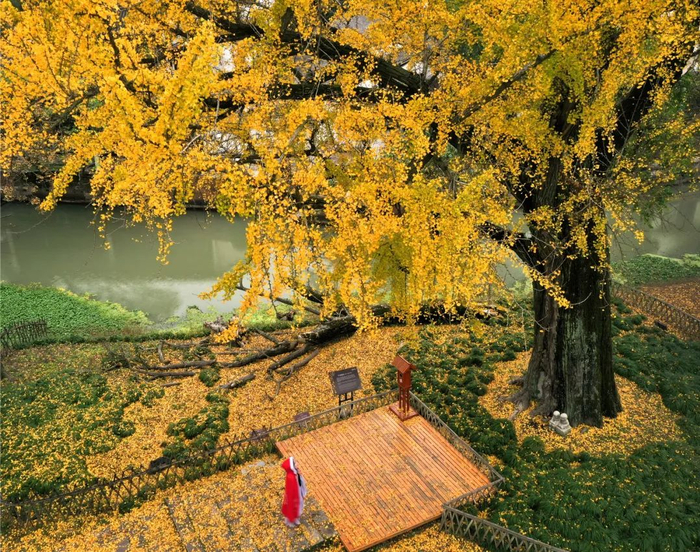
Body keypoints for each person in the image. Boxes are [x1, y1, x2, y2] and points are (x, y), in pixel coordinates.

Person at [281, 456, 307, 527]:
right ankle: (291, 521)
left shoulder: (295, 473)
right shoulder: (291, 477)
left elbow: (300, 482)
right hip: (294, 496)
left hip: (298, 493)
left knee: (298, 507)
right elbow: (292, 489)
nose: (297, 464)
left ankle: (295, 519)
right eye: (295, 463)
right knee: (293, 508)